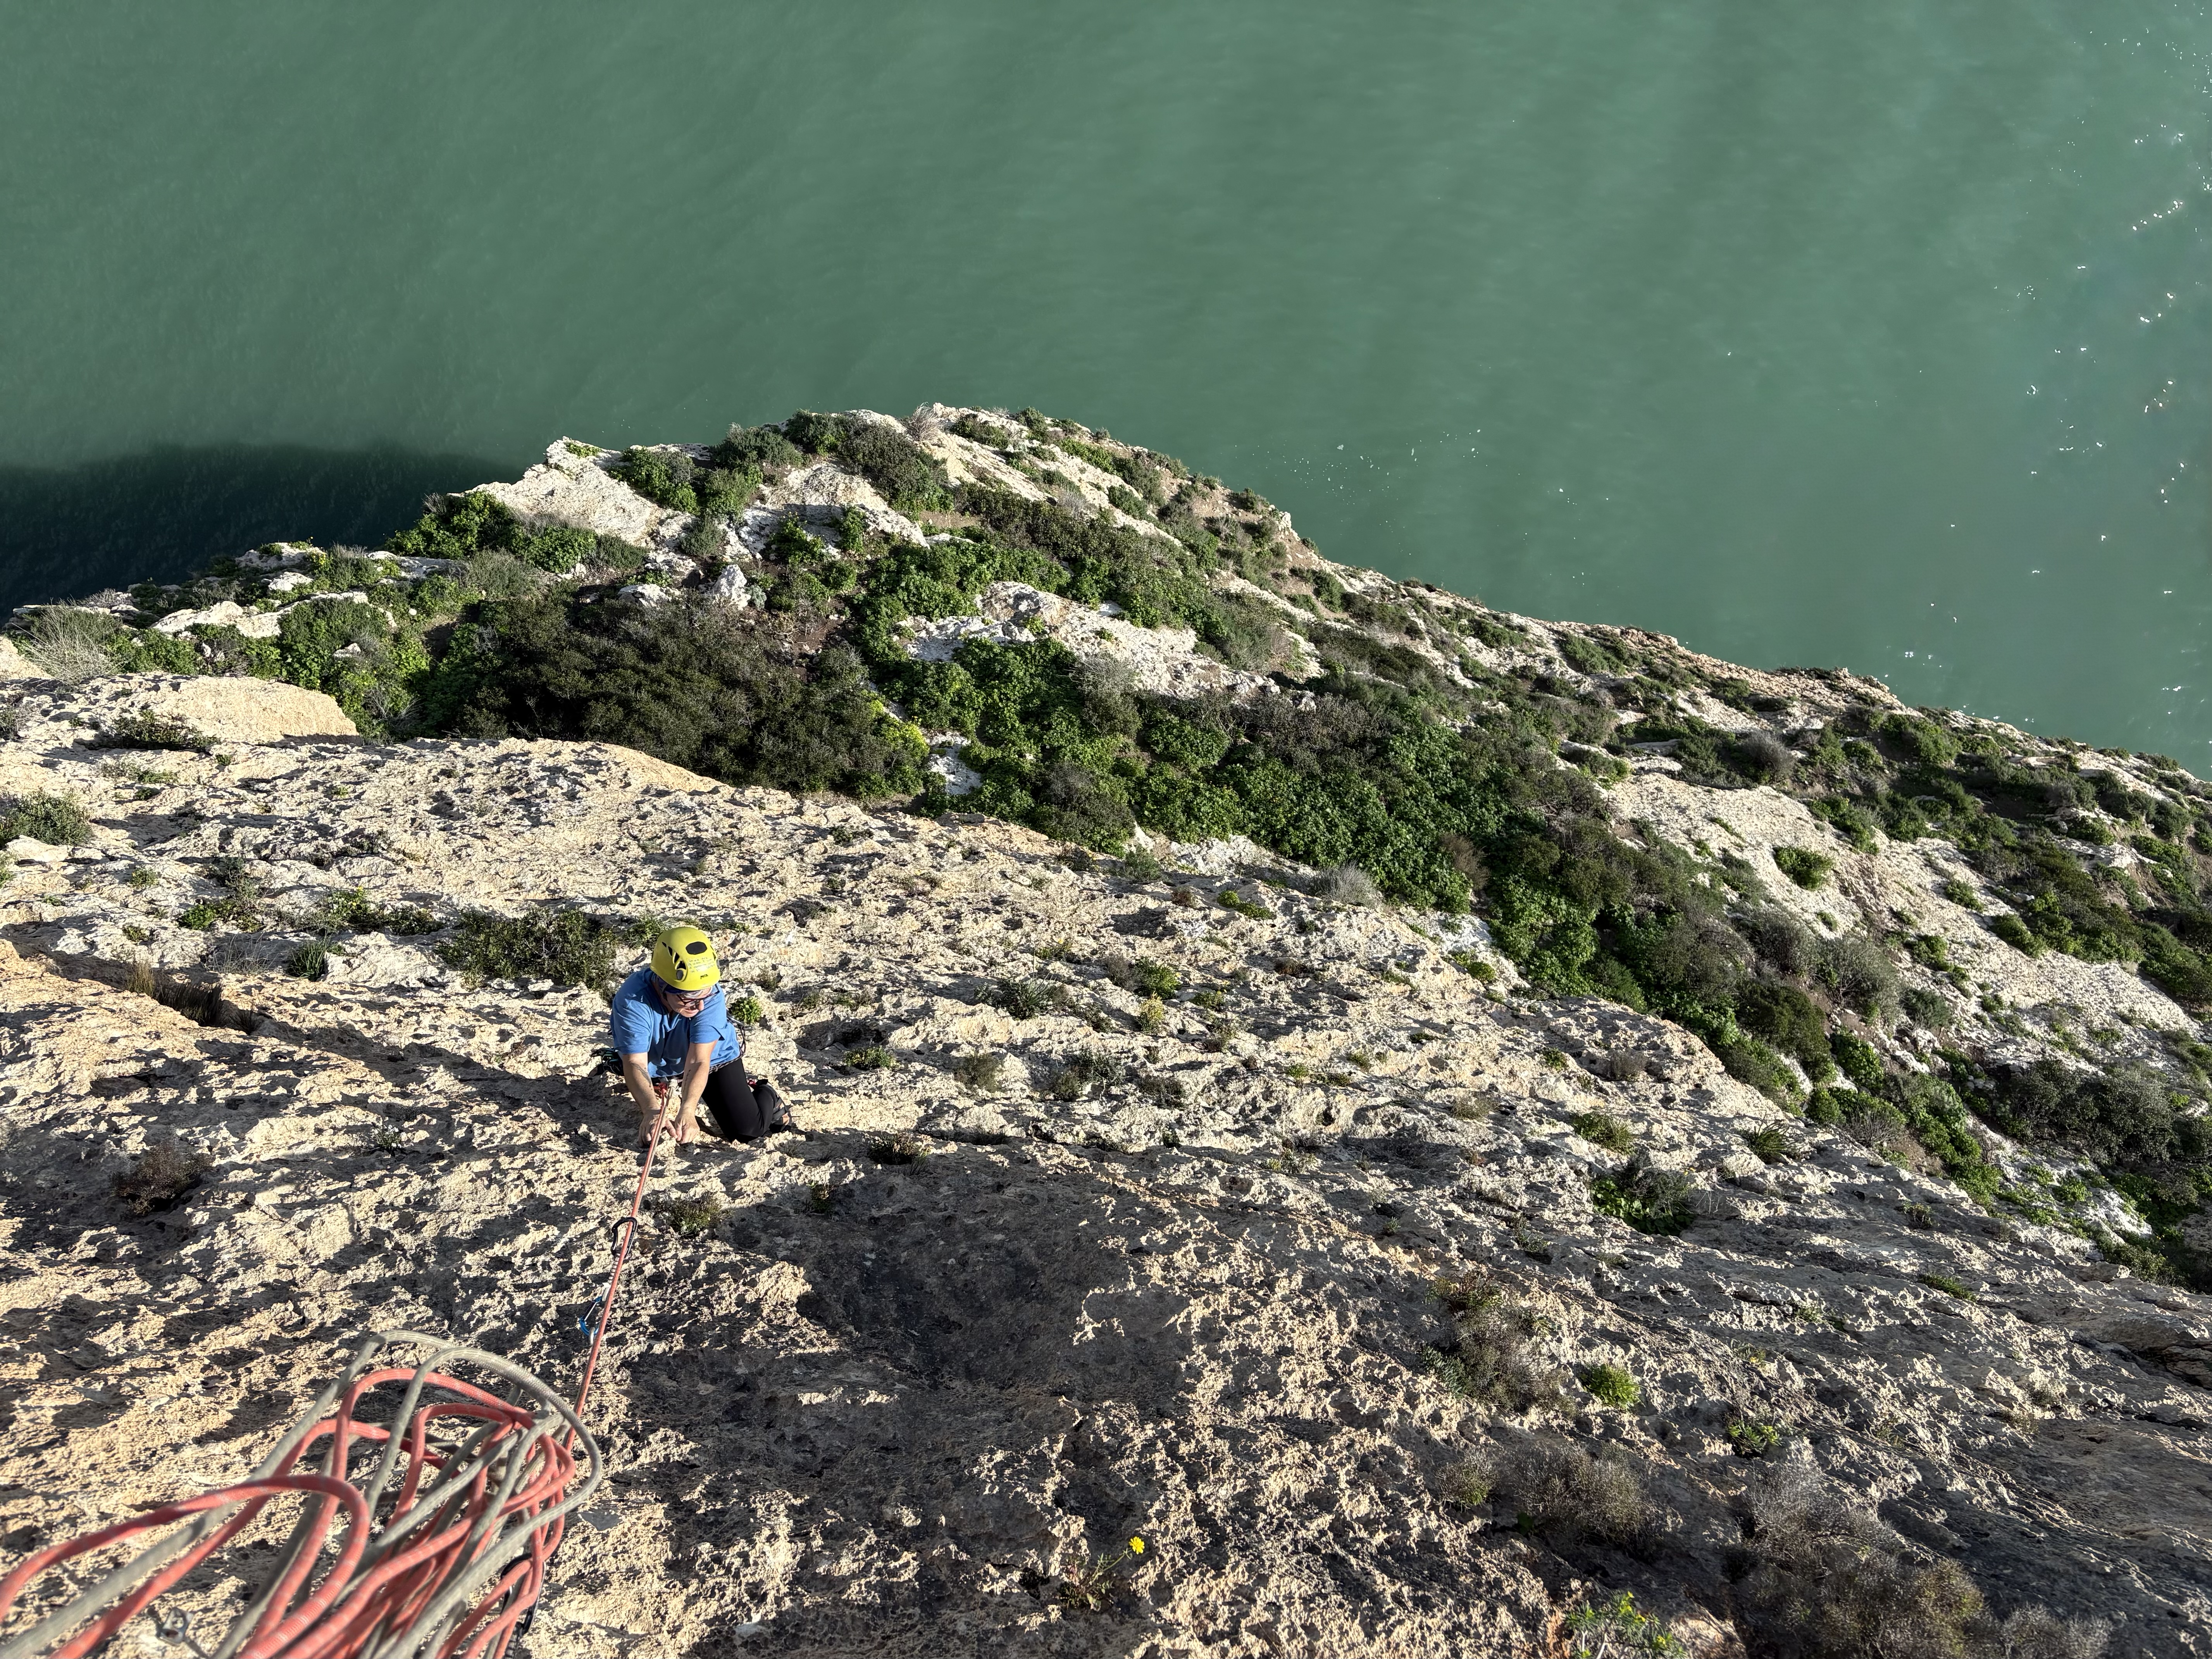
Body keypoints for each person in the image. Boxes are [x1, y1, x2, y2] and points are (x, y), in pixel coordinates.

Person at [608, 926, 787, 1147]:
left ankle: (768, 1095)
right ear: (663, 984)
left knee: (747, 1131)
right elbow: (635, 1063)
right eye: (690, 997)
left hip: (713, 1059)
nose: (700, 1005)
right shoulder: (634, 1001)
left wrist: (688, 1109)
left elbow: (699, 1059)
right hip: (659, 1063)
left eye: (705, 994)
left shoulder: (710, 997)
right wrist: (652, 1111)